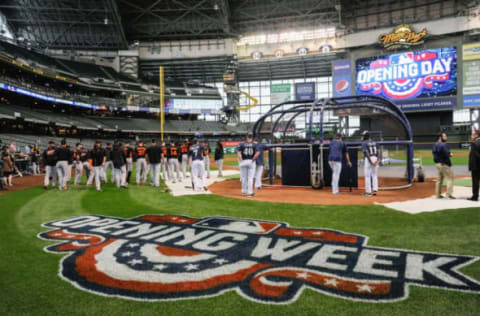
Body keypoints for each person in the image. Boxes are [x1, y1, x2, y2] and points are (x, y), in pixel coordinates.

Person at [432, 132, 455, 199]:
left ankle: (438, 195)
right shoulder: (443, 145)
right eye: (444, 136)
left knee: (439, 180)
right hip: (444, 164)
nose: (446, 137)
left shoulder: (435, 145)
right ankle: (448, 195)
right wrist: (451, 154)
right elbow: (448, 154)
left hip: (437, 164)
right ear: (440, 137)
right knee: (450, 178)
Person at [362, 131, 380, 196]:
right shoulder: (375, 142)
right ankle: (375, 190)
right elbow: (378, 152)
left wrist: (370, 161)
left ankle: (368, 192)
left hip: (369, 159)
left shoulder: (364, 143)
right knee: (374, 175)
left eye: (363, 135)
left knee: (367, 176)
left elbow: (366, 153)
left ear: (365, 136)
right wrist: (377, 161)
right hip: (375, 157)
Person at [468, 129, 480, 201]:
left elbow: (475, 157)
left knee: (475, 182)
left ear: (476, 135)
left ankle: (475, 196)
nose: (471, 135)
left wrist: (472, 167)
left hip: (476, 166)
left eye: (473, 134)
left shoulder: (474, 143)